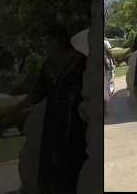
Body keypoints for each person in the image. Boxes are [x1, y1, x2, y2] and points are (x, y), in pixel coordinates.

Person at [16, 25, 88, 194]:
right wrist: (16, 108)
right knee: (50, 163)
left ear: (61, 40)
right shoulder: (48, 65)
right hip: (53, 120)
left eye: (49, 41)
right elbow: (37, 93)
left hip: (74, 121)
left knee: (72, 163)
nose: (46, 45)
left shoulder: (80, 63)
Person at [103, 38, 116, 113]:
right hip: (106, 64)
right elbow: (109, 52)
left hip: (105, 64)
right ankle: (110, 93)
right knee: (109, 81)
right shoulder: (106, 42)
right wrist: (114, 61)